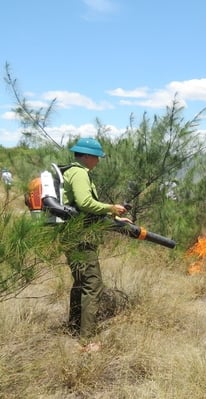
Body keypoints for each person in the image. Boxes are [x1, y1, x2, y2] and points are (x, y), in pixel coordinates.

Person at [61, 137, 131, 350]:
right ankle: (87, 339)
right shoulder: (80, 173)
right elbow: (85, 203)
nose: (98, 162)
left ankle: (74, 326)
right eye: (97, 157)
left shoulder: (72, 172)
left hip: (73, 235)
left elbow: (83, 208)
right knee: (93, 285)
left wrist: (115, 218)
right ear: (88, 156)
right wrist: (111, 207)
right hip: (81, 237)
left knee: (80, 281)